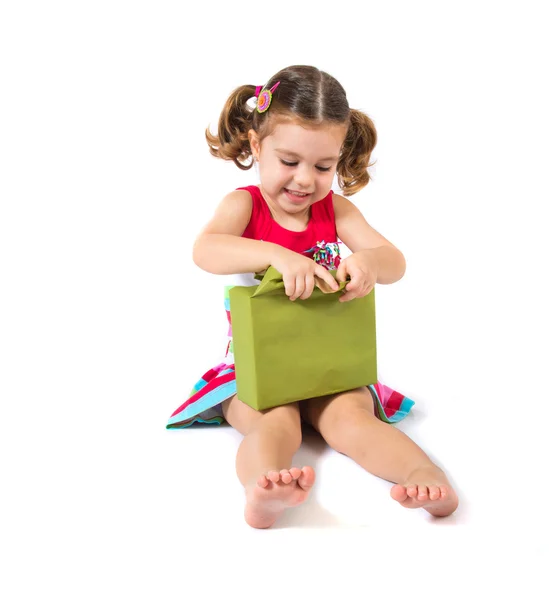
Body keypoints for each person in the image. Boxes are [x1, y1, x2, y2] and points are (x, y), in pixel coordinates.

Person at [167, 65, 459, 528]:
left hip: (329, 364)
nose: (305, 180)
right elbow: (205, 250)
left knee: (354, 420)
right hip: (256, 366)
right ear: (257, 145)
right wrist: (276, 255)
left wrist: (369, 263)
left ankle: (423, 474)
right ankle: (264, 489)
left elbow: (394, 261)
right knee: (275, 422)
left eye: (323, 167)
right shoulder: (244, 206)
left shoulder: (336, 209)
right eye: (289, 161)